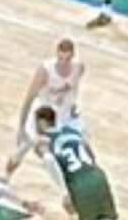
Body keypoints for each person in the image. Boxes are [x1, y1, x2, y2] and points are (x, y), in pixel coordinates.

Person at [5, 38, 85, 175]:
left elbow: (73, 87)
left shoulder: (79, 67)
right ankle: (6, 176)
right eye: (60, 58)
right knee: (23, 147)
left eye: (67, 59)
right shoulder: (46, 69)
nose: (63, 62)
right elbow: (30, 96)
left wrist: (72, 104)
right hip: (43, 111)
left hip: (63, 113)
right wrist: (22, 124)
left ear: (73, 56)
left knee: (72, 149)